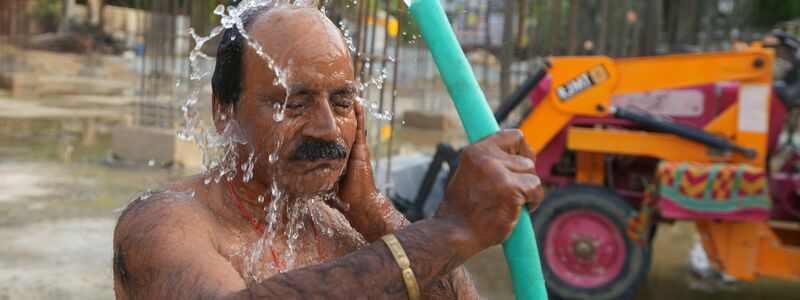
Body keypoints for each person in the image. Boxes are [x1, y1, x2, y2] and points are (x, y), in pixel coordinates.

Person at [113, 3, 544, 299]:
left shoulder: (347, 224)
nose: (326, 128)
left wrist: (373, 210)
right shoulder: (164, 221)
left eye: (342, 103)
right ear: (224, 112)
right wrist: (449, 231)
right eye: (293, 103)